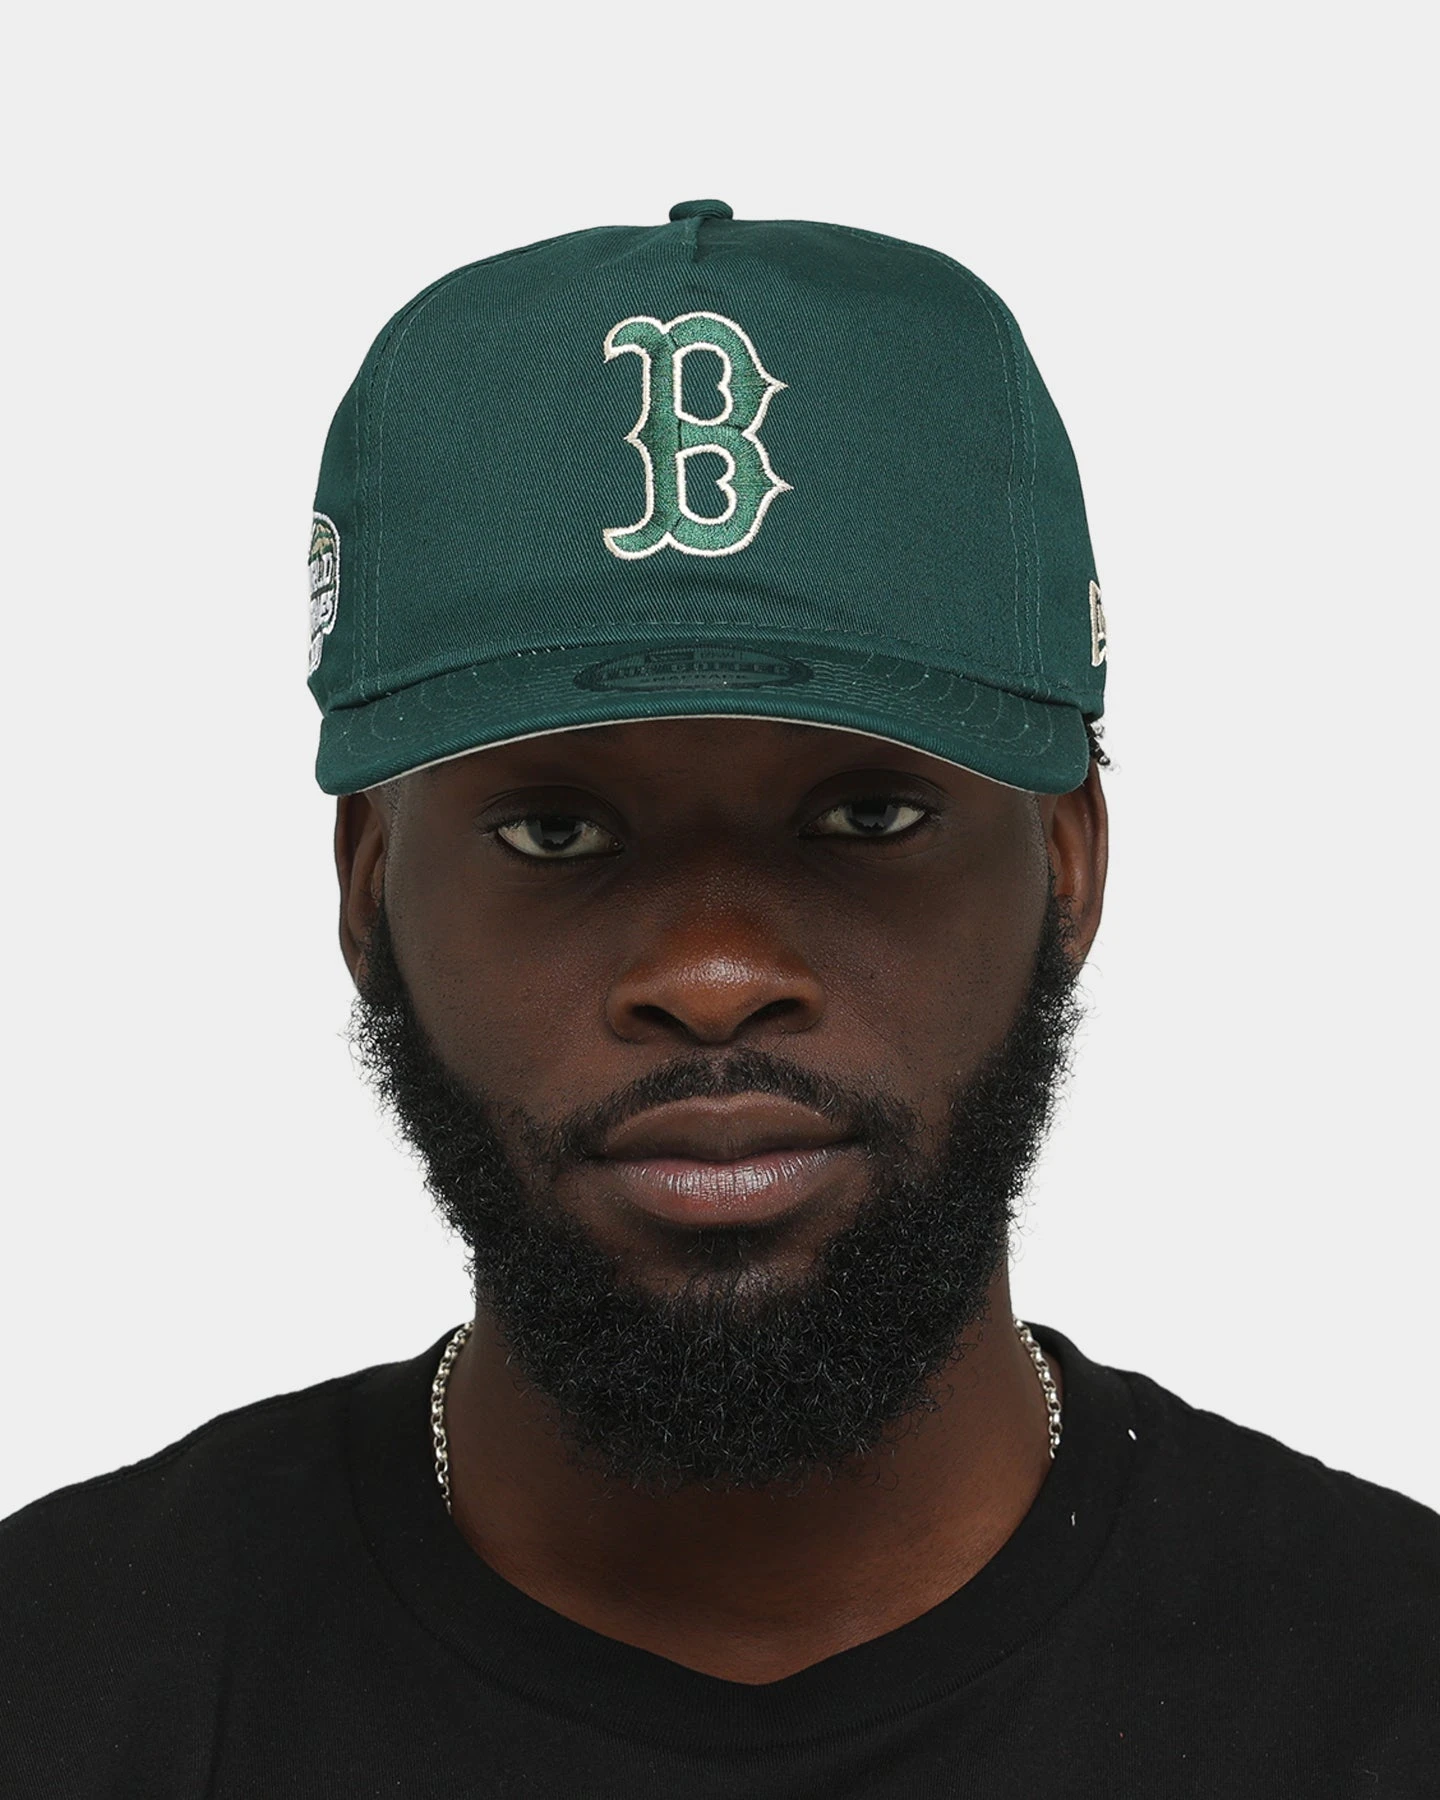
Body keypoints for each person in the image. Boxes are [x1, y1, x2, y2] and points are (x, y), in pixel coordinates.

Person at [2, 199, 1435, 1797]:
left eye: (867, 816)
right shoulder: (60, 1687)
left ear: (1070, 862)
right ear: (368, 889)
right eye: (557, 832)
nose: (712, 979)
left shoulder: (1389, 1691)